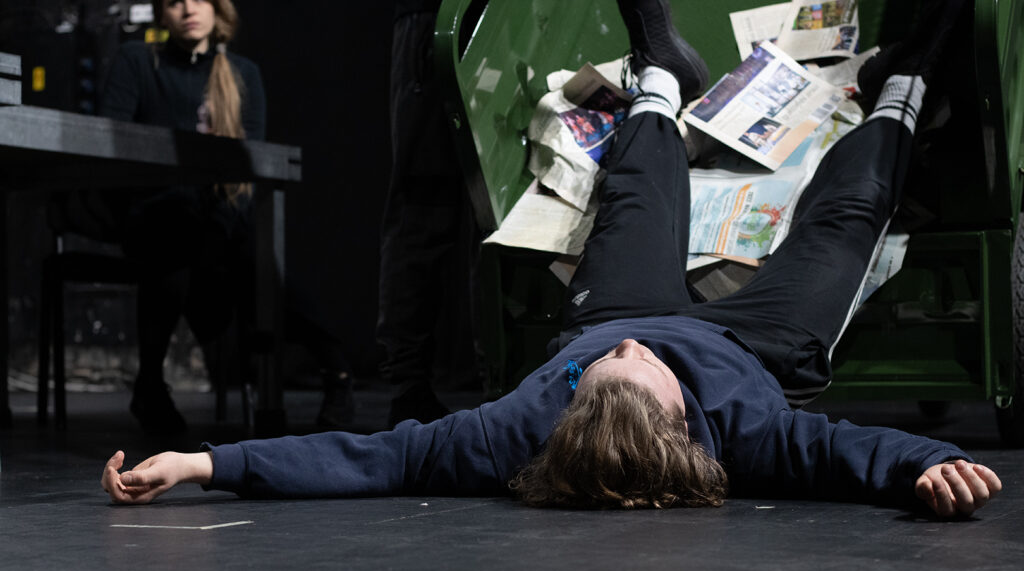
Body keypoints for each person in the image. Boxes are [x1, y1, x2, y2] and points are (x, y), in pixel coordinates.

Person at [102, 0, 1001, 518]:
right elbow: (848, 449)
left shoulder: (524, 422)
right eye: (637, 367)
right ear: (683, 425)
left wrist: (204, 463)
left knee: (636, 200)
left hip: (617, 300)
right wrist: (925, 463)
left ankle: (661, 78)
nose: (632, 352)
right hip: (758, 348)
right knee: (843, 223)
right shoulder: (753, 432)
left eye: (595, 373)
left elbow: (370, 458)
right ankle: (902, 89)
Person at [99, 0, 353, 434]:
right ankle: (151, 384)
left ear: (219, 10)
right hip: (157, 215)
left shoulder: (241, 73)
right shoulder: (138, 61)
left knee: (264, 263)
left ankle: (338, 373)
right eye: (175, 2)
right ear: (161, 14)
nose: (188, 9)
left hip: (222, 218)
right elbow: (112, 142)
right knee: (174, 235)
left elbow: (249, 168)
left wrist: (219, 225)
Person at [377, 0, 479, 427]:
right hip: (436, 18)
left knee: (501, 209)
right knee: (423, 210)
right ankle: (408, 386)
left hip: (508, 16)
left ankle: (508, 376)